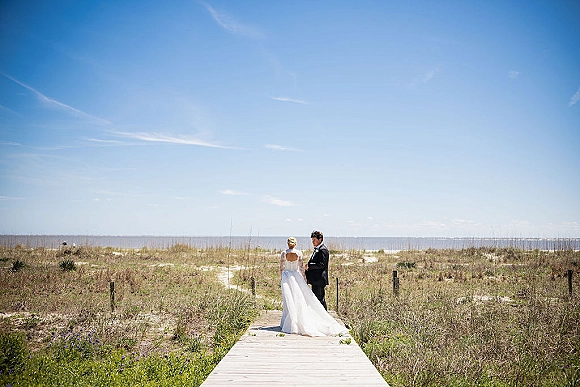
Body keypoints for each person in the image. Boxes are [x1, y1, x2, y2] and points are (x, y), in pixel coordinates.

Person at [279, 236, 348, 337]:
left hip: (287, 277)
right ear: (295, 244)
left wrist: (282, 277)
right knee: (299, 299)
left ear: (287, 243)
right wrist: (304, 279)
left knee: (288, 299)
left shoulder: (284, 253)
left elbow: (281, 267)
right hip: (296, 276)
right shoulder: (298, 253)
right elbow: (301, 268)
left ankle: (290, 322)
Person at [305, 230, 329, 310]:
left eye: (314, 240)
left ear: (320, 239)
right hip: (315, 279)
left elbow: (322, 264)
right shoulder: (317, 249)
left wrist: (310, 266)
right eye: (312, 240)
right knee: (316, 300)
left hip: (319, 279)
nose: (313, 242)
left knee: (320, 300)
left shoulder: (323, 250)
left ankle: (325, 317)